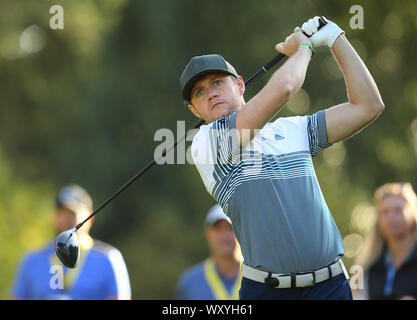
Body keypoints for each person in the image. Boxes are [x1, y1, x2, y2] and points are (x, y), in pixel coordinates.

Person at [180, 16, 384, 299]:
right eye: (200, 92)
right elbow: (285, 88)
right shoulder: (206, 143)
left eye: (217, 82)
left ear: (240, 84)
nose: (211, 93)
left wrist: (336, 38)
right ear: (194, 111)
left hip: (331, 287)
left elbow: (368, 106)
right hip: (268, 292)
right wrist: (305, 48)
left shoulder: (293, 129)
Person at [11, 183, 131, 300]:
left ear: (90, 218)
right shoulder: (31, 260)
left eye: (74, 213)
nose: (68, 219)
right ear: (55, 217)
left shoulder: (108, 258)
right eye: (63, 213)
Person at [354, 183, 417, 300]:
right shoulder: (365, 266)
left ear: (413, 214)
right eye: (385, 212)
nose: (391, 217)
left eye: (398, 210)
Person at [175, 204, 243, 300]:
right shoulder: (189, 283)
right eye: (218, 229)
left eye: (230, 228)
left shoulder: (260, 279)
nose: (224, 235)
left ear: (242, 232)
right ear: (208, 233)